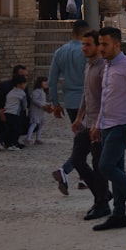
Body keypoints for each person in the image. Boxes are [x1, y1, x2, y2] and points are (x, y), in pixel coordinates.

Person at [91, 26, 126, 232]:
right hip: (107, 125)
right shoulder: (106, 66)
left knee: (105, 166)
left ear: (116, 44)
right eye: (100, 43)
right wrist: (97, 124)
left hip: (122, 125)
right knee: (117, 169)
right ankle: (118, 214)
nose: (101, 48)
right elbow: (105, 99)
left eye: (105, 44)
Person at [71, 29, 111, 221]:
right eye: (83, 44)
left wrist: (98, 124)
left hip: (99, 124)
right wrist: (79, 117)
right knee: (77, 159)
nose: (84, 48)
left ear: (97, 46)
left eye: (88, 44)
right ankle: (101, 194)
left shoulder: (104, 68)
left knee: (98, 165)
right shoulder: (89, 66)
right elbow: (86, 95)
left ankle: (102, 204)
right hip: (87, 123)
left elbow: (106, 99)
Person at [48, 19, 89, 194]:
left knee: (81, 139)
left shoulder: (60, 51)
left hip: (70, 100)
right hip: (87, 101)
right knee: (86, 141)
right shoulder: (86, 51)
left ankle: (83, 178)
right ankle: (65, 171)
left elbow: (52, 81)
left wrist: (55, 103)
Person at [0, 66, 28, 150]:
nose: (24, 77)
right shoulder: (4, 86)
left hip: (17, 114)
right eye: (22, 75)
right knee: (8, 126)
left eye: (25, 75)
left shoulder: (23, 87)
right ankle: (4, 141)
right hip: (4, 113)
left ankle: (13, 142)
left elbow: (27, 102)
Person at [0, 74, 28, 150]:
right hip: (15, 114)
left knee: (9, 128)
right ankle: (13, 144)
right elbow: (24, 105)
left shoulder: (10, 92)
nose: (25, 85)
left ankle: (8, 143)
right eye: (24, 83)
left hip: (7, 112)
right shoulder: (22, 93)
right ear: (19, 85)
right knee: (17, 129)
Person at [26, 78, 49, 145]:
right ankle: (28, 138)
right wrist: (43, 105)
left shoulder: (42, 92)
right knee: (34, 124)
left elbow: (42, 101)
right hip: (35, 111)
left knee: (40, 125)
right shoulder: (36, 91)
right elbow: (34, 100)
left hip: (40, 112)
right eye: (44, 83)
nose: (46, 84)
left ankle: (38, 139)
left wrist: (47, 105)